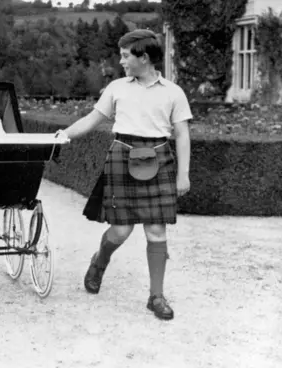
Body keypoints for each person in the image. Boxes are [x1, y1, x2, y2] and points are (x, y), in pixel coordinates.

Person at [58, 29, 192, 321]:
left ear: (143, 58)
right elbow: (93, 119)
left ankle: (156, 296)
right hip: (122, 156)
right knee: (121, 230)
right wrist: (64, 135)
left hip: (159, 159)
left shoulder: (173, 92)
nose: (121, 61)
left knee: (156, 231)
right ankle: (99, 261)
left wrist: (184, 175)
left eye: (125, 56)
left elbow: (182, 134)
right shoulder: (117, 87)